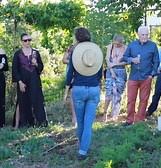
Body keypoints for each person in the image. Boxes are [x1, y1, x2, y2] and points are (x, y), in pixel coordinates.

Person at [63, 27, 103, 160]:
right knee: (88, 123)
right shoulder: (96, 51)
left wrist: (67, 90)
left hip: (79, 89)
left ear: (77, 38)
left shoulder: (75, 52)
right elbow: (99, 72)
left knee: (80, 122)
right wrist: (97, 83)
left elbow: (70, 73)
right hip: (93, 89)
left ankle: (82, 147)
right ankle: (83, 150)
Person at [121, 26, 159, 125]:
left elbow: (156, 61)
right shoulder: (132, 45)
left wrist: (152, 74)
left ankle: (139, 120)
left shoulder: (153, 46)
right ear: (138, 35)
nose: (145, 36)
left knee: (144, 99)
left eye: (146, 34)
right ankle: (129, 120)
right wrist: (132, 60)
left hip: (146, 77)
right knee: (131, 99)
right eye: (143, 34)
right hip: (133, 77)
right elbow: (124, 57)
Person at [12, 33, 48, 127]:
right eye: (25, 40)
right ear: (21, 42)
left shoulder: (35, 53)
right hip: (22, 80)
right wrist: (19, 82)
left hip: (34, 80)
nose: (27, 42)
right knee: (22, 101)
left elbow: (41, 67)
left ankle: (40, 122)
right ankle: (20, 124)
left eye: (29, 40)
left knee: (37, 100)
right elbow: (15, 69)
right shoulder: (18, 54)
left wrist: (36, 64)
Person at [103, 34, 127, 122]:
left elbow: (126, 62)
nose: (116, 45)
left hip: (121, 71)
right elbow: (107, 60)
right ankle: (105, 113)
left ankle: (115, 115)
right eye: (115, 43)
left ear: (121, 43)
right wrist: (112, 71)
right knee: (109, 92)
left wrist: (116, 64)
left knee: (118, 94)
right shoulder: (110, 47)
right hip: (111, 71)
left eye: (118, 44)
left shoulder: (125, 48)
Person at [62, 40, 77, 125]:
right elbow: (64, 60)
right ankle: (74, 116)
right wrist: (72, 62)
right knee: (72, 94)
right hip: (70, 74)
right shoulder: (70, 50)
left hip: (80, 74)